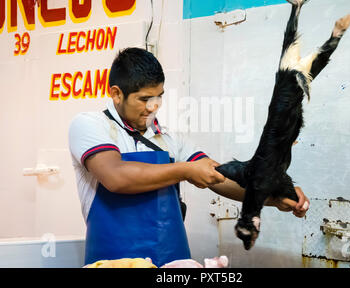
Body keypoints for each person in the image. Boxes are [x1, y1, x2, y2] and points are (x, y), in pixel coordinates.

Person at [68, 47, 310, 267]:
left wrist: (273, 196)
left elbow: (218, 176)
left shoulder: (171, 139)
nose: (154, 107)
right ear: (116, 93)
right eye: (144, 99)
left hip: (173, 262)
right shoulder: (90, 125)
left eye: (159, 96)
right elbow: (116, 176)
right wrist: (185, 170)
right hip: (113, 262)